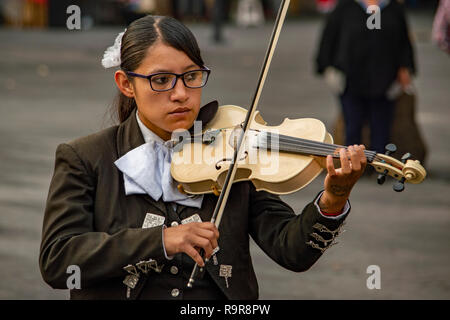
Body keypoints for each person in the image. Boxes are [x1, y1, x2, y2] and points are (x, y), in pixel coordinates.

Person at [39, 14, 367, 300]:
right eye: (161, 80)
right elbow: (58, 260)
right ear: (126, 84)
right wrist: (161, 240)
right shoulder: (85, 157)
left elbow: (291, 250)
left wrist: (333, 198)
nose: (181, 93)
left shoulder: (233, 152)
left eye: (192, 76)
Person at [315, 0, 416, 154]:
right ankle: (351, 166)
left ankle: (379, 165)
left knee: (382, 127)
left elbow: (404, 42)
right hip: (350, 78)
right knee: (352, 127)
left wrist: (405, 68)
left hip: (385, 79)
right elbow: (329, 38)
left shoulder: (393, 8)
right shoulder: (345, 7)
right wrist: (327, 68)